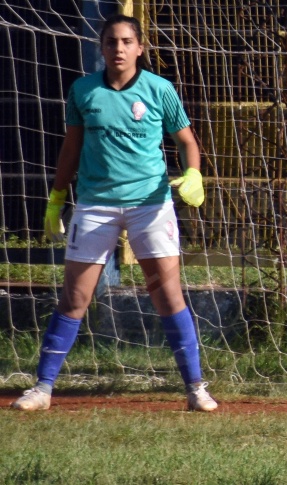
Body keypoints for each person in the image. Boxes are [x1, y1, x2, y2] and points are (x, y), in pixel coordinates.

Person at [10, 14, 217, 413]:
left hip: (150, 207)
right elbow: (71, 149)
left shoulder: (160, 90)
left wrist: (194, 173)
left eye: (126, 41)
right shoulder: (83, 91)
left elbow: (187, 141)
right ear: (102, 47)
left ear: (140, 47)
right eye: (111, 41)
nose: (118, 48)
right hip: (95, 205)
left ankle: (195, 388)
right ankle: (43, 388)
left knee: (167, 295)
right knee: (75, 297)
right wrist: (56, 200)